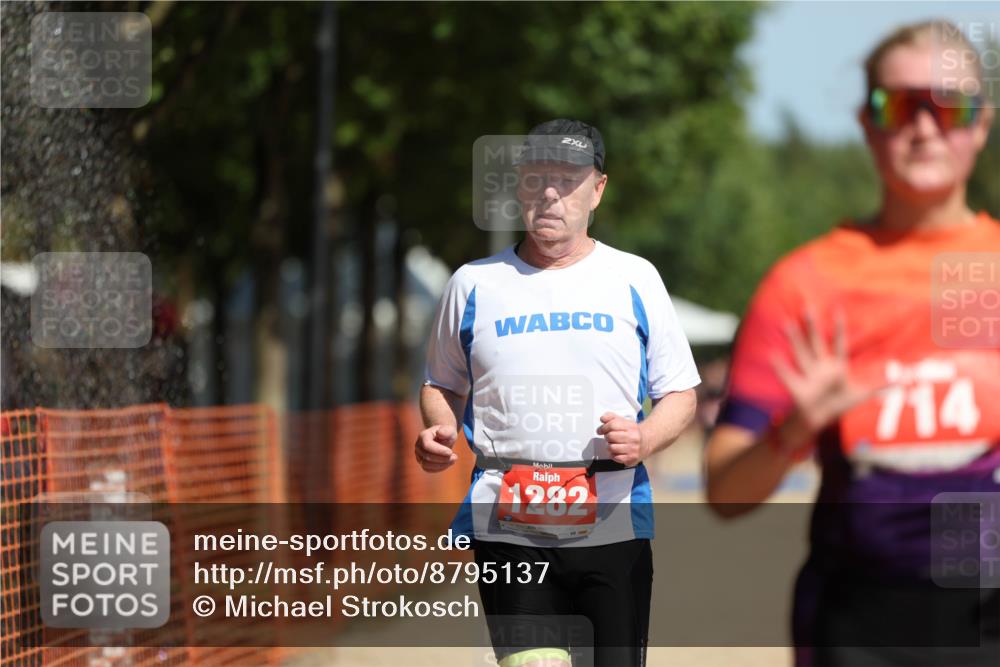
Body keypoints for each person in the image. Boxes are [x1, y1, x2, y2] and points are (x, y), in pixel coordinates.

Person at [705, 20, 1000, 666]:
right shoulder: (805, 284)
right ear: (868, 123)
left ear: (981, 123)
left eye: (949, 107)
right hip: (857, 628)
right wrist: (795, 429)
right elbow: (725, 493)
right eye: (898, 105)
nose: (924, 127)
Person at [417, 118, 700, 667]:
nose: (550, 193)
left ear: (597, 190)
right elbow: (442, 384)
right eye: (536, 178)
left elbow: (681, 392)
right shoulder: (473, 283)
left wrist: (644, 439)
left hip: (612, 519)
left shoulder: (635, 278)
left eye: (567, 180)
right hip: (509, 525)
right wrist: (440, 428)